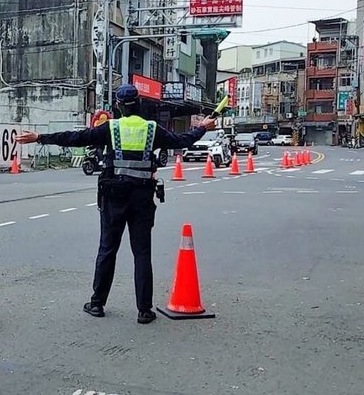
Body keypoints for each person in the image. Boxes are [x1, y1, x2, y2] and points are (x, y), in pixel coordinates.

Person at [15, 84, 216, 324]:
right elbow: (181, 140)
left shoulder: (111, 128)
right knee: (142, 253)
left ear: (119, 106)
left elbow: (76, 137)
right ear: (139, 105)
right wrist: (202, 127)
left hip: (113, 196)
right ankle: (144, 310)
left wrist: (40, 137)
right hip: (142, 198)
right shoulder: (152, 129)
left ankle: (97, 304)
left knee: (107, 249)